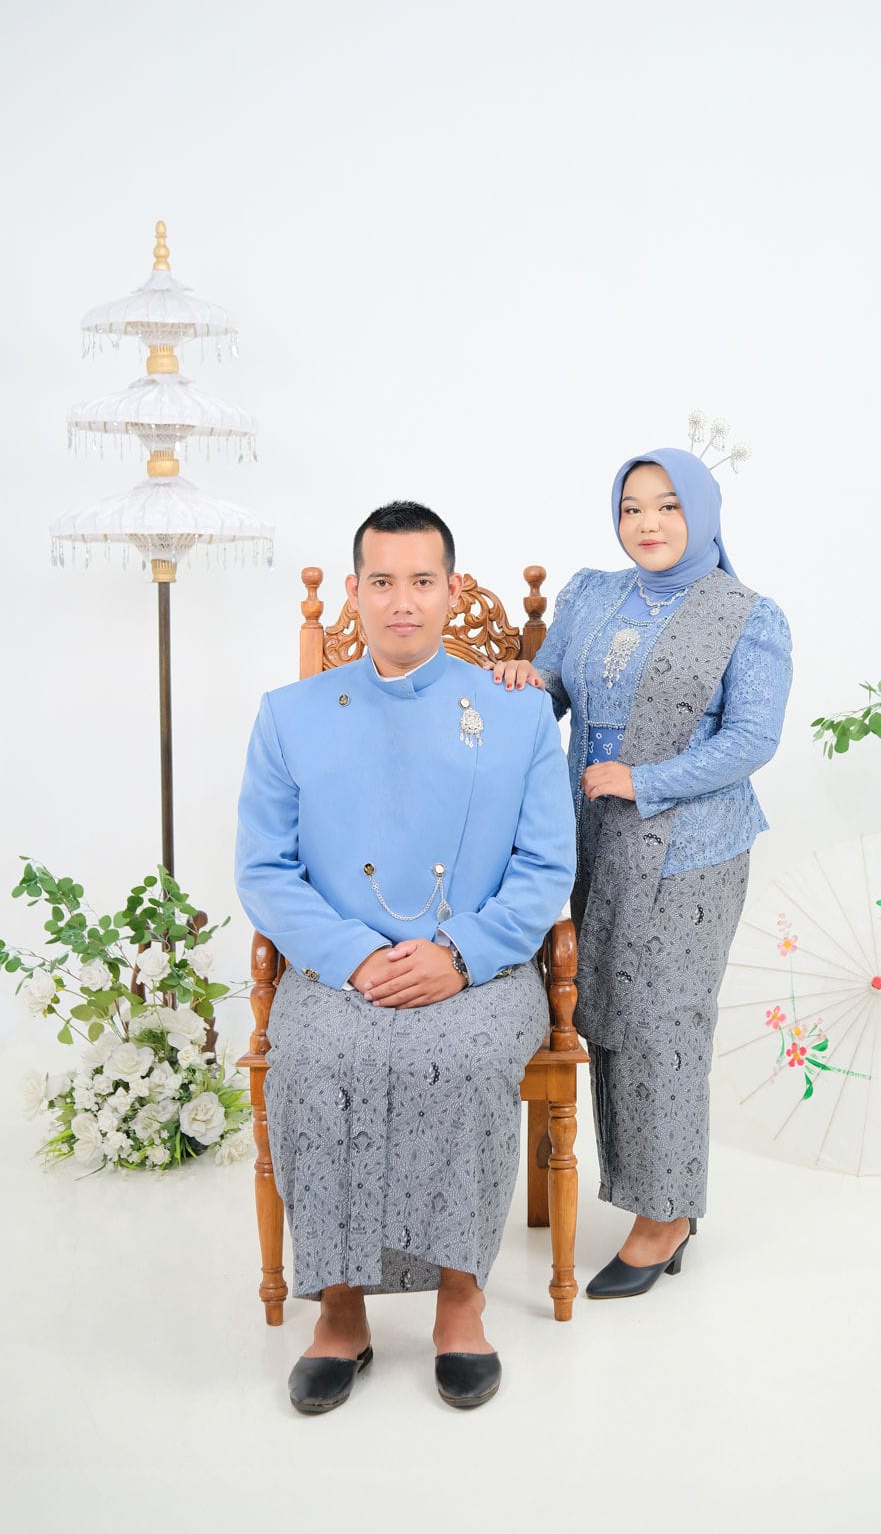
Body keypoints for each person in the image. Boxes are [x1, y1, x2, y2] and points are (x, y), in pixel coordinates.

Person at [235, 501, 575, 1412]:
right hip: (334, 964)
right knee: (317, 1058)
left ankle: (460, 1299)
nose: (402, 601)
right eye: (381, 581)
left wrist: (461, 955)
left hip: (485, 963)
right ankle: (340, 1308)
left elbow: (546, 865)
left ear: (451, 589)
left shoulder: (516, 712)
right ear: (353, 591)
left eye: (422, 581)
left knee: (460, 1057)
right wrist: (352, 956)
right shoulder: (289, 715)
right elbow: (263, 868)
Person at [488, 449, 791, 1298]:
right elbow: (554, 689)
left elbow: (753, 738)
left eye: (667, 505)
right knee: (610, 1011)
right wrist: (526, 676)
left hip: (692, 849)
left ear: (703, 511)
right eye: (632, 507)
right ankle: (655, 1193)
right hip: (597, 837)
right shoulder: (592, 594)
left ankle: (665, 1217)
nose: (648, 523)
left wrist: (645, 779)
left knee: (666, 1018)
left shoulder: (746, 615)